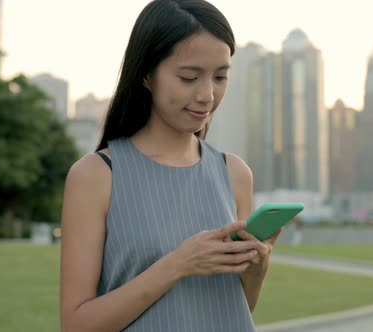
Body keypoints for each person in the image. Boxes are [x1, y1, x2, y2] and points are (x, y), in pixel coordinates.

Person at [60, 1, 281, 331]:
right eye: (189, 77)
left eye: (221, 77)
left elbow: (236, 307)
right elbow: (76, 325)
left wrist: (256, 266)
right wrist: (179, 264)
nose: (207, 95)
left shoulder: (235, 173)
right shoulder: (96, 175)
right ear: (147, 75)